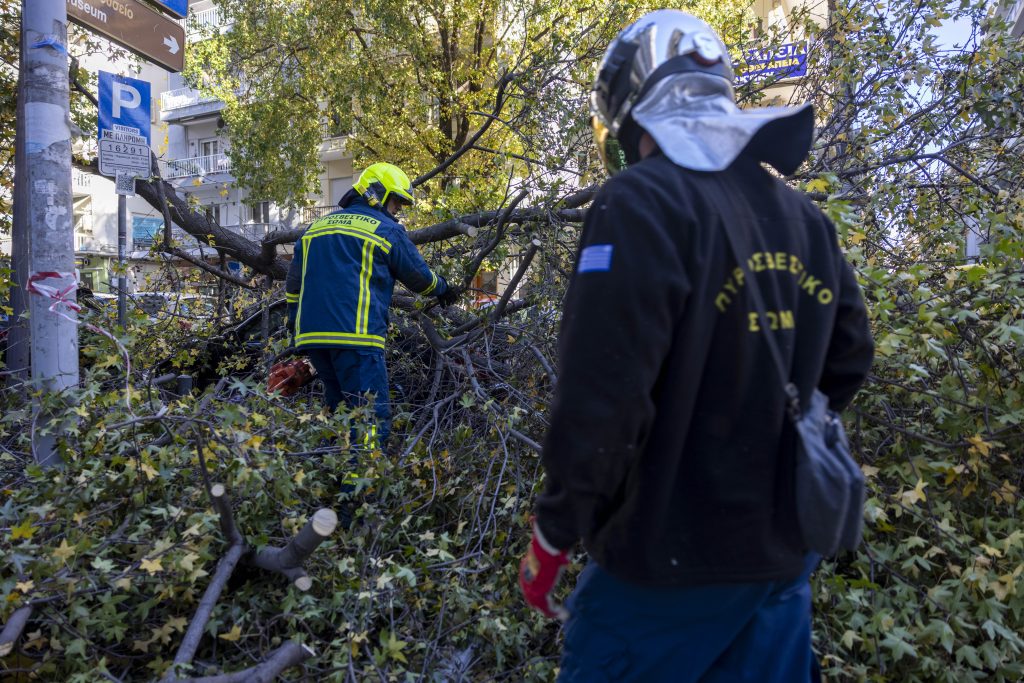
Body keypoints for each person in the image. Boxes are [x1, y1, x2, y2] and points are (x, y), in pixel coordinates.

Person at [517, 10, 874, 682]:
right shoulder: (806, 219)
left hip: (659, 574)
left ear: (626, 113)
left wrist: (555, 530)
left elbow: (603, 396)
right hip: (777, 566)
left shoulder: (639, 201)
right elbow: (851, 354)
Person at [286, 162, 457, 447]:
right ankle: (363, 484)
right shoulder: (385, 229)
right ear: (377, 194)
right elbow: (419, 278)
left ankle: (337, 479)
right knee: (368, 418)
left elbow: (293, 286)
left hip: (312, 338)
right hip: (357, 336)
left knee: (339, 411)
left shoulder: (316, 228)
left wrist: (294, 322)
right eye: (396, 201)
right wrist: (444, 288)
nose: (398, 210)